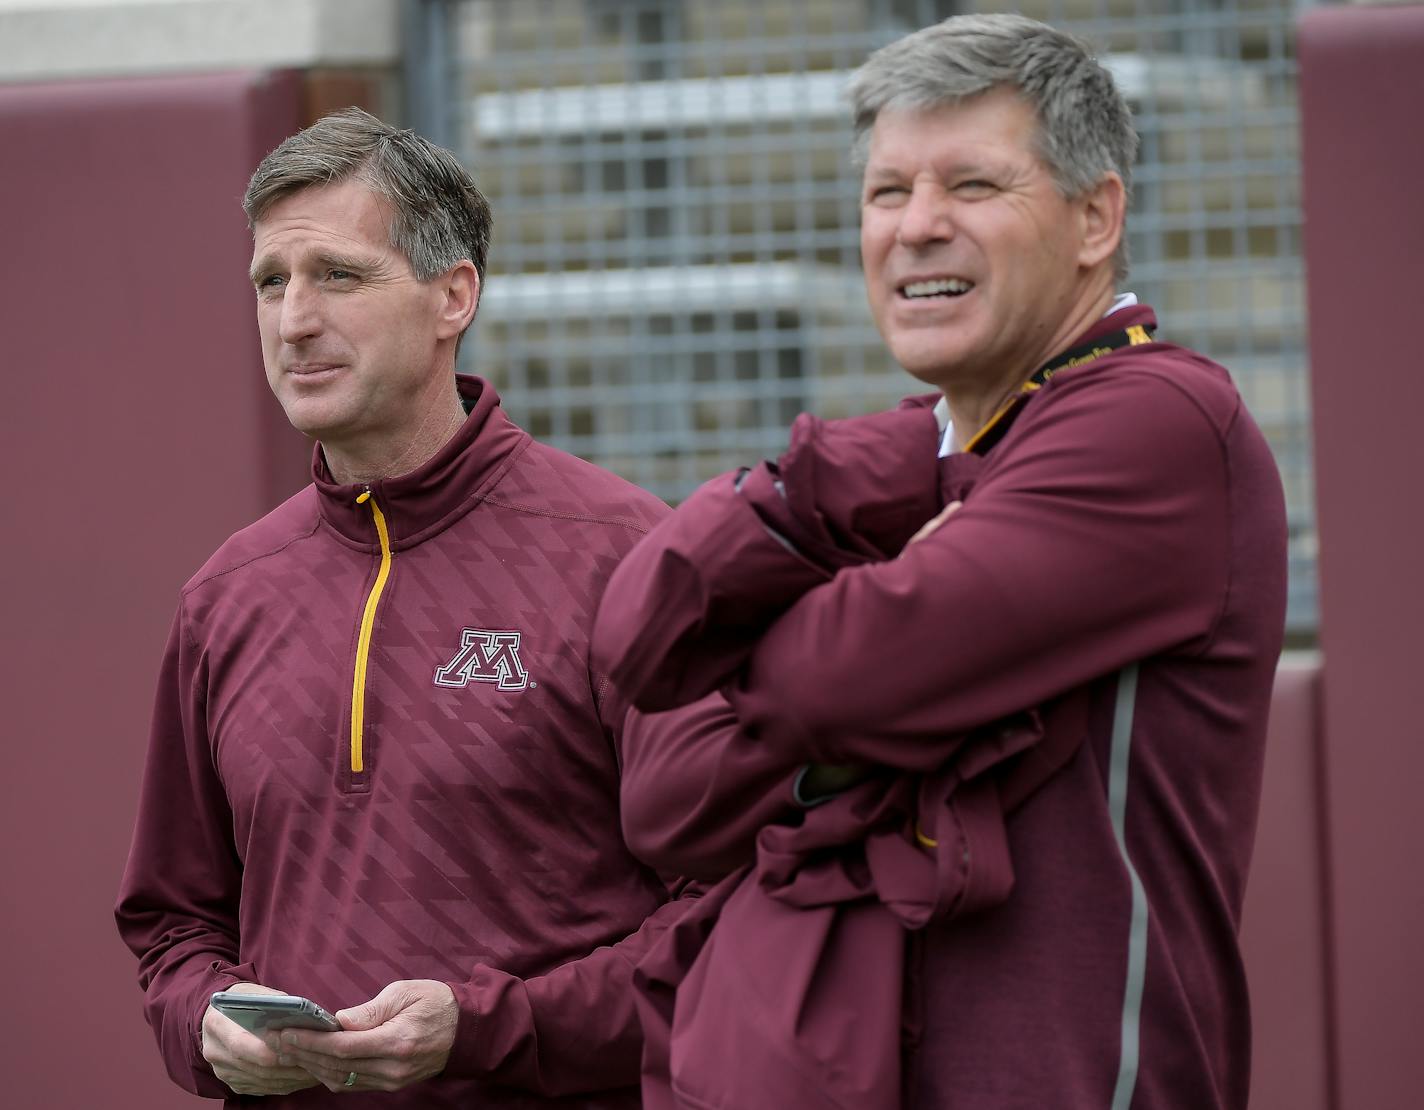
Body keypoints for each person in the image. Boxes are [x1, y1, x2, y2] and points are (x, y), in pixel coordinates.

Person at [591, 14, 1287, 1110]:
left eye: (971, 185)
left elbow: (837, 675)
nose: (916, 227)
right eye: (885, 193)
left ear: (1093, 216)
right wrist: (836, 494)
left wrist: (814, 682)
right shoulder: (895, 465)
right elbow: (665, 788)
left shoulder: (1155, 421)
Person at [115, 108, 701, 1108]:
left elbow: (723, 918)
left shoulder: (627, 555)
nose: (295, 318)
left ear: (451, 296)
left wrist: (485, 1029)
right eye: (271, 281)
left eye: (337, 275)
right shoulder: (227, 595)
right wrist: (209, 1021)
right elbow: (173, 924)